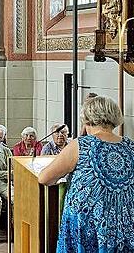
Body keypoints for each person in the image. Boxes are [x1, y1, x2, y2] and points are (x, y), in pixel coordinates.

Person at [38, 96, 134, 252]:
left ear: (88, 119)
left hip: (86, 222)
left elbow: (45, 178)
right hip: (123, 222)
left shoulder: (80, 145)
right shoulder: (130, 146)